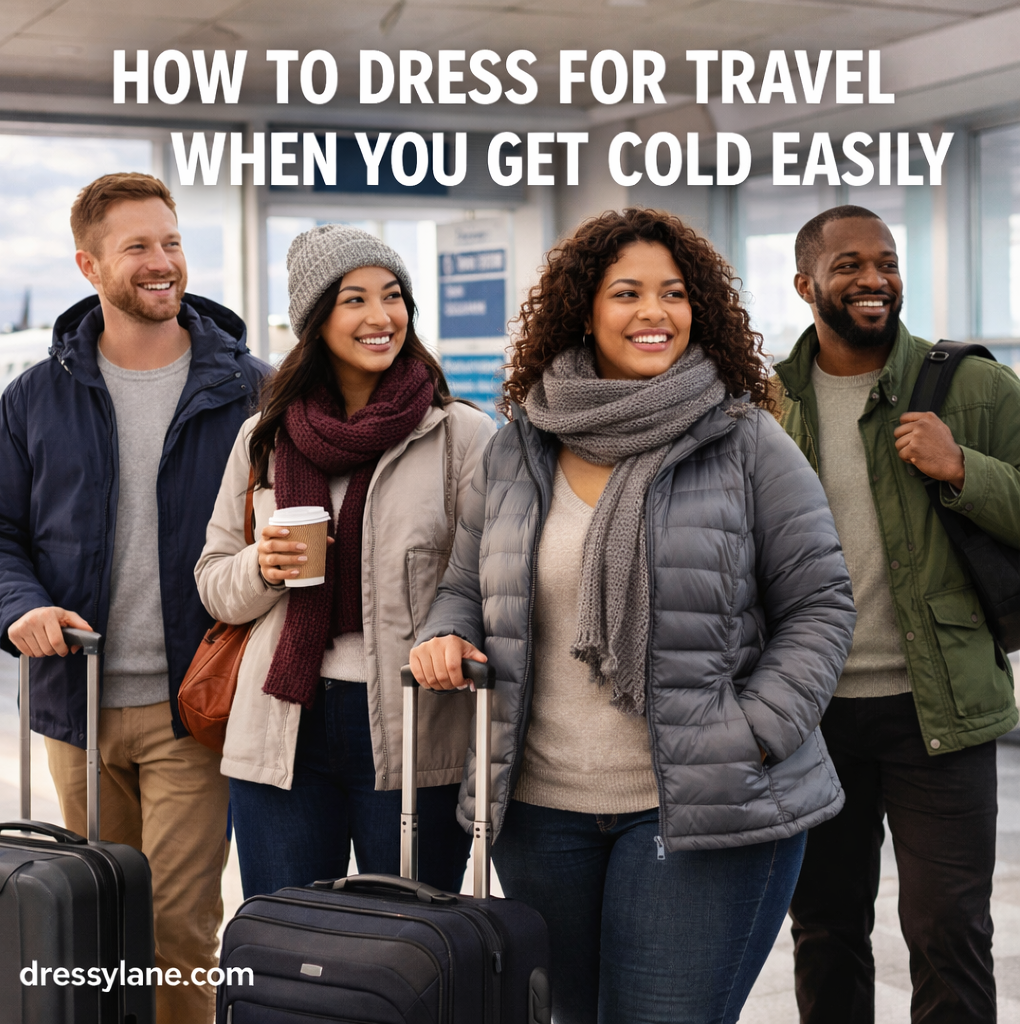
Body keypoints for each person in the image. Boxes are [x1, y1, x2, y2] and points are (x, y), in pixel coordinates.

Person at [410, 207, 856, 1024]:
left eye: (674, 293)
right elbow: (466, 585)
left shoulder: (746, 439)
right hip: (539, 812)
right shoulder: (520, 445)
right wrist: (445, 631)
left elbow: (820, 605)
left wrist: (752, 734)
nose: (655, 312)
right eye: (627, 293)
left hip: (703, 805)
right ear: (584, 311)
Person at [0, 172, 270, 1024]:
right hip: (74, 703)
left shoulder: (251, 391)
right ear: (89, 265)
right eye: (139, 247)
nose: (163, 262)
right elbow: (1, 534)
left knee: (176, 930)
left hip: (195, 705)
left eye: (172, 242)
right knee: (90, 927)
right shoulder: (35, 398)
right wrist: (21, 607)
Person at [195, 224, 495, 898]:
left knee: (410, 940)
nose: (380, 316)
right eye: (354, 299)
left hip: (412, 726)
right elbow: (214, 582)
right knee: (288, 939)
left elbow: (488, 578)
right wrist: (263, 567)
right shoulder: (264, 436)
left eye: (392, 296)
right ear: (315, 320)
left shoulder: (460, 436)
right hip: (281, 725)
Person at [776, 205, 1020, 1024]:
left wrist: (964, 469)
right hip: (812, 714)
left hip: (939, 706)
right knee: (824, 928)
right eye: (848, 265)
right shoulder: (766, 404)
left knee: (949, 928)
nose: (873, 278)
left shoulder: (974, 387)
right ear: (806, 285)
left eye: (885, 261)